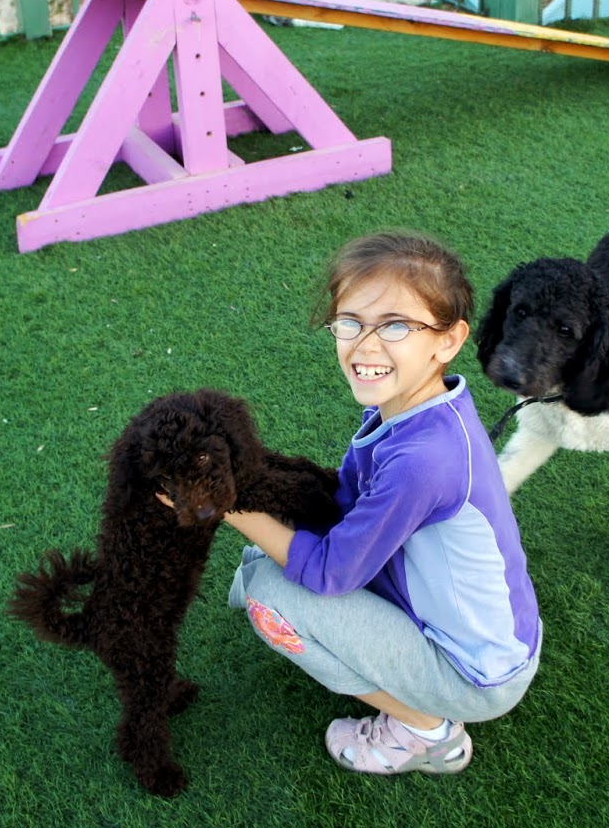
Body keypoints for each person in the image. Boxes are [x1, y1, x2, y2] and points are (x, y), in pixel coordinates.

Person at [223, 231, 541, 776]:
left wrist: (222, 504)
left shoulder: (424, 460)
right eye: (350, 322)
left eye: (395, 326)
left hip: (476, 675)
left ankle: (427, 731)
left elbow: (330, 575)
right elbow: (344, 503)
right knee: (270, 556)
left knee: (271, 596)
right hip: (493, 636)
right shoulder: (416, 410)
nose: (365, 346)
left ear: (448, 340)